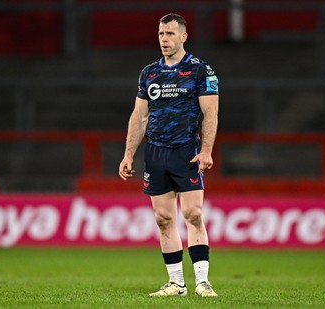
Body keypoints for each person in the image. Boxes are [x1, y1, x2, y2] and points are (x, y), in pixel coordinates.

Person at [119, 13, 219, 297]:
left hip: (187, 151)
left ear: (184, 36)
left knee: (193, 213)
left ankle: (202, 281)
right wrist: (128, 154)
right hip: (156, 153)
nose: (164, 39)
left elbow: (210, 112)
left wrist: (207, 150)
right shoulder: (149, 73)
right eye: (161, 34)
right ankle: (177, 283)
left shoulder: (201, 71)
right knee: (163, 219)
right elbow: (139, 117)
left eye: (170, 34)